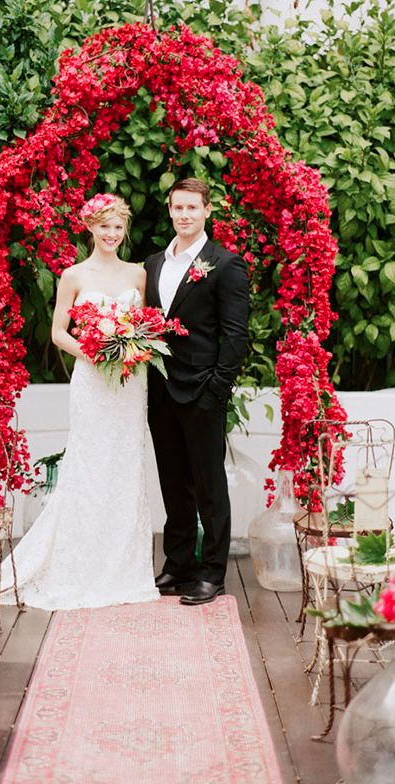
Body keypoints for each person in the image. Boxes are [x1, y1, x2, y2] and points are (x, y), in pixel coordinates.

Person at [0, 194, 160, 610]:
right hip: (93, 381)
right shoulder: (74, 275)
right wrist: (92, 350)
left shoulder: (139, 274)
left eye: (117, 227)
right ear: (89, 227)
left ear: (124, 230)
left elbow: (146, 324)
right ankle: (80, 565)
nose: (111, 234)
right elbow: (59, 332)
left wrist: (132, 346)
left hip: (129, 384)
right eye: (104, 226)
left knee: (125, 466)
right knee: (89, 465)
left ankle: (122, 567)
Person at [145, 177, 249, 605]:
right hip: (161, 391)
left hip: (203, 391)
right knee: (172, 482)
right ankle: (179, 563)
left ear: (208, 210)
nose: (184, 215)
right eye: (177, 207)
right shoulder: (153, 263)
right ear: (169, 210)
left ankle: (211, 571)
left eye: (192, 207)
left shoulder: (225, 264)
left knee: (209, 485)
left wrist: (217, 390)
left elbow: (235, 336)